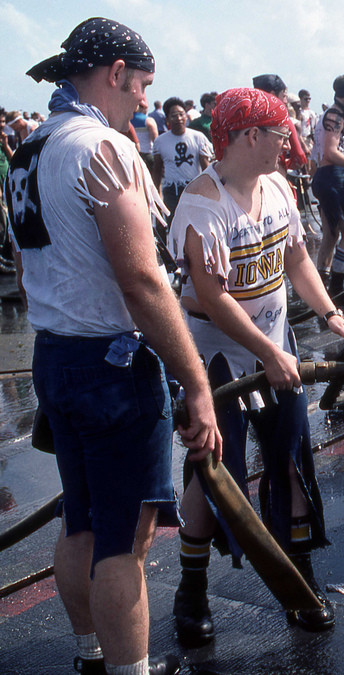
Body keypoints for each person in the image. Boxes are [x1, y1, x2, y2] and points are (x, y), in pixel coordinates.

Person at [7, 17, 221, 675]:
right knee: (124, 539)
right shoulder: (102, 148)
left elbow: (25, 264)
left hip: (55, 354)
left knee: (79, 521)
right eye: (143, 85)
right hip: (111, 364)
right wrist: (197, 382)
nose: (146, 101)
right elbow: (142, 281)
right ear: (117, 73)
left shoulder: (29, 148)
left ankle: (90, 655)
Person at [168, 88, 344, 642]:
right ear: (250, 135)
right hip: (217, 357)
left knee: (291, 458)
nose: (288, 145)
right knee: (211, 470)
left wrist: (329, 314)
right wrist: (268, 353)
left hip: (275, 344)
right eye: (281, 134)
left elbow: (296, 256)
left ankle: (300, 582)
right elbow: (211, 297)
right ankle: (191, 591)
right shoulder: (203, 205)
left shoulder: (276, 186)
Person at [310, 74, 344, 300]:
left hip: (324, 178)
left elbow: (317, 155)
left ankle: (321, 289)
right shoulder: (335, 116)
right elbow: (331, 153)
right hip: (332, 179)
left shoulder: (327, 114)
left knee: (331, 235)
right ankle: (337, 288)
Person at [152, 97, 213, 221]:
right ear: (167, 119)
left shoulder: (198, 138)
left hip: (194, 190)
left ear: (186, 116)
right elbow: (157, 170)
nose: (179, 118)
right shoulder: (160, 141)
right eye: (174, 115)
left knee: (196, 225)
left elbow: (206, 167)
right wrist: (156, 197)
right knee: (174, 225)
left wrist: (210, 192)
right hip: (171, 192)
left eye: (181, 114)